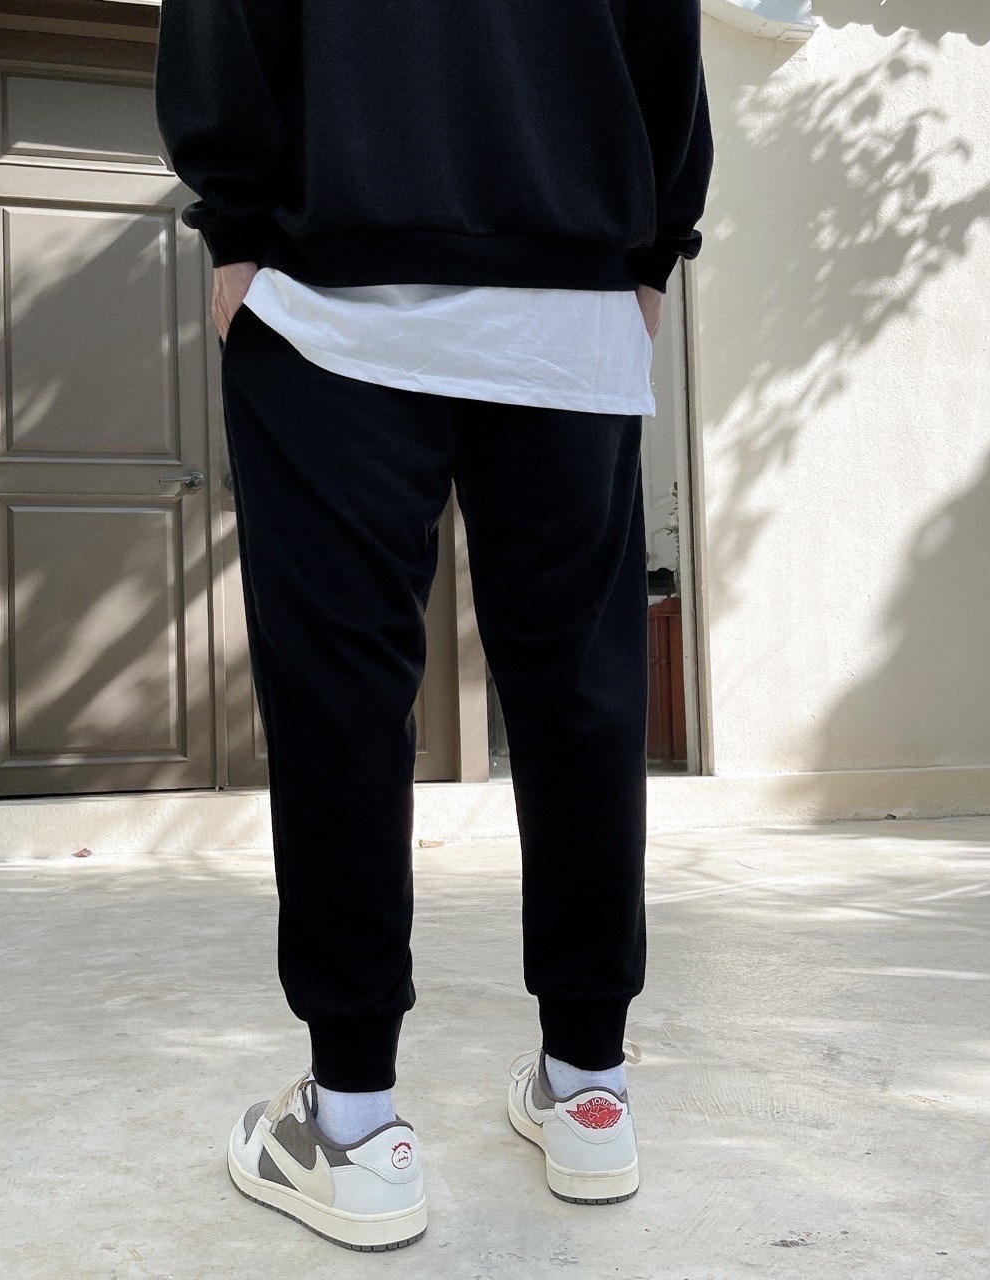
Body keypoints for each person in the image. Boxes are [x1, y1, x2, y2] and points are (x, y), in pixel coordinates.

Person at [154, 0, 713, 1251]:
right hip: (567, 292)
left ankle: (354, 1126)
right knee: (580, 695)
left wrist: (235, 223)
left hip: (332, 285)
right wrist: (648, 250)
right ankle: (589, 1089)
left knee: (340, 698)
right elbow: (660, 34)